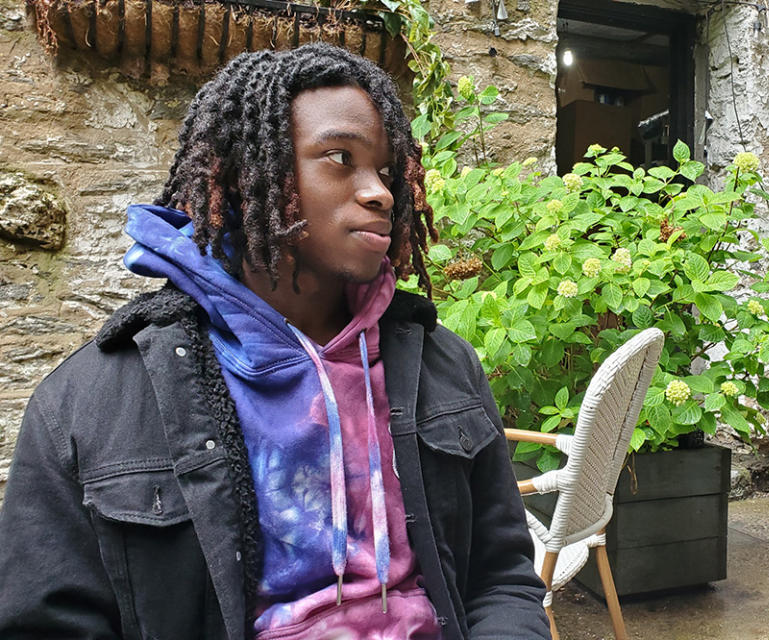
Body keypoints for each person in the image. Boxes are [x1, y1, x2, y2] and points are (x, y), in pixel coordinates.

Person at [0, 43, 550, 640]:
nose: (380, 193)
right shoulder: (87, 403)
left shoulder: (444, 366)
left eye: (386, 171)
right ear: (245, 175)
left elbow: (503, 580)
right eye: (341, 158)